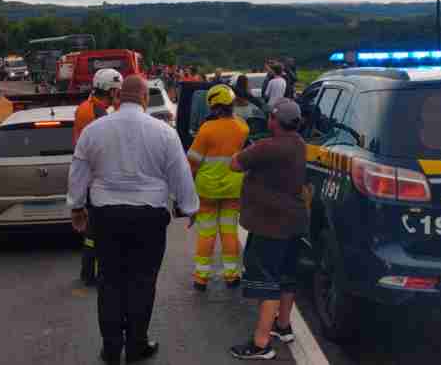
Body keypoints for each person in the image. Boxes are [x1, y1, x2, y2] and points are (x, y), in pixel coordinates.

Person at [68, 75, 199, 365]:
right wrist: (189, 207)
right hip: (148, 219)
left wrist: (77, 207)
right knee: (142, 283)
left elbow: (78, 170)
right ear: (144, 98)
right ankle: (137, 345)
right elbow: (180, 173)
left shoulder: (94, 131)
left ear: (118, 96)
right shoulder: (163, 132)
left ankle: (111, 348)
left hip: (106, 218)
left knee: (110, 283)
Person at [228, 100, 307, 360]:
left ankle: (261, 343)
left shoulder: (267, 147)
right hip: (294, 222)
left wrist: (246, 149)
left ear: (274, 121)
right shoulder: (299, 144)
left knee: (266, 282)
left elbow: (235, 164)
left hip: (270, 225)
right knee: (287, 276)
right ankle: (282, 326)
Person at [187, 84, 248, 291]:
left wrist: (185, 192)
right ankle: (232, 275)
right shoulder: (242, 127)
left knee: (207, 234)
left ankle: (201, 278)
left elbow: (192, 162)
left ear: (214, 106)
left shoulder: (206, 129)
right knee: (229, 232)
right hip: (232, 189)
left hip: (208, 190)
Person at [72, 68, 124, 286]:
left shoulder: (87, 107)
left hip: (90, 179)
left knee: (93, 232)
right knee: (97, 232)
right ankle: (94, 274)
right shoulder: (98, 114)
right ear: (111, 91)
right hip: (97, 181)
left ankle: (89, 272)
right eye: (118, 91)